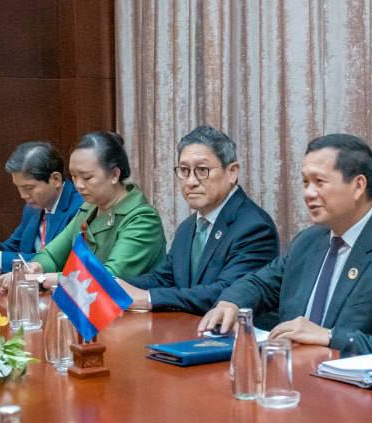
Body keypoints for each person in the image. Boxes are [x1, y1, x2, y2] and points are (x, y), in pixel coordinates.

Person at [198, 133, 372, 356]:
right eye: (305, 182)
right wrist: (231, 302)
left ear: (358, 186)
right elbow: (260, 283)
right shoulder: (309, 241)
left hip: (347, 386)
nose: (308, 193)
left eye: (319, 182)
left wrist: (330, 337)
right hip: (290, 372)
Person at [119, 125, 279, 315]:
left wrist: (148, 299)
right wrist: (111, 284)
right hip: (186, 328)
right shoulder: (188, 227)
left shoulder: (254, 227)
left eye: (202, 170)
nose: (191, 181)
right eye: (184, 170)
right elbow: (164, 279)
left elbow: (226, 294)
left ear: (232, 172)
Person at [0, 131, 166, 290]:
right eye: (74, 176)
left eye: (87, 177)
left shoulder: (143, 219)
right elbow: (52, 255)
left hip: (132, 309)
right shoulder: (89, 208)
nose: (78, 185)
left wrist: (44, 278)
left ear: (114, 175)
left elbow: (108, 277)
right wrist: (36, 267)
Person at [0, 141, 83, 272]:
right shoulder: (32, 208)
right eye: (18, 187)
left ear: (55, 179)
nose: (23, 195)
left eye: (28, 188)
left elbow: (57, 261)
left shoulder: (80, 207)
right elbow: (12, 250)